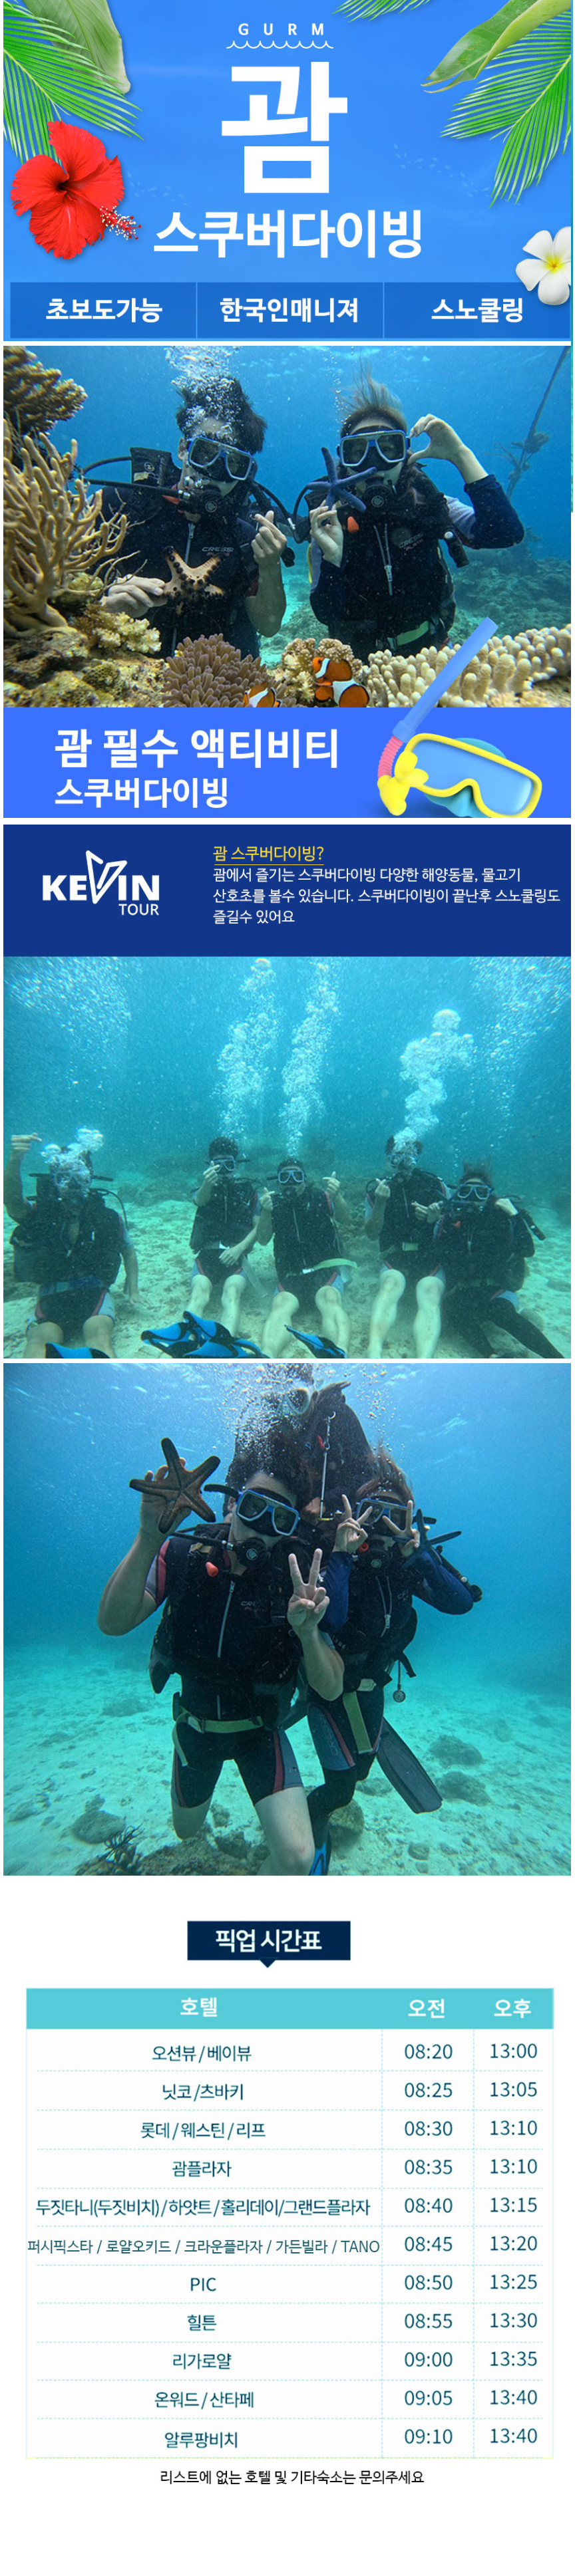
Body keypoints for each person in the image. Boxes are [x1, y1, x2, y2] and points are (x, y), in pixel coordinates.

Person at [97, 1422, 365, 1874]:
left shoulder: (296, 1582)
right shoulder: (182, 1552)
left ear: (292, 1528)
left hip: (260, 1733)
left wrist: (308, 1632)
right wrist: (149, 1535)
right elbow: (112, 1623)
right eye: (253, 1507)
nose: (262, 1530)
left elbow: (332, 1686)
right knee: (187, 1830)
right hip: (195, 1729)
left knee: (298, 1857)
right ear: (231, 1503)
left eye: (279, 1519)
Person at [299, 1442, 481, 1850]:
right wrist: (344, 1555)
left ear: (410, 1519)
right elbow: (329, 1619)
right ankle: (312, 1823)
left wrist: (421, 1556)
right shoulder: (340, 1558)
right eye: (374, 1514)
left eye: (394, 1516)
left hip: (374, 1684)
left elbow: (461, 1604)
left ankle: (358, 1755)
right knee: (343, 1788)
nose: (383, 1526)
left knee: (361, 1774)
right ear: (355, 1515)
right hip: (330, 1688)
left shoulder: (408, 1564)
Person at [299, 368, 524, 661]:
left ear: (406, 454)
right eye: (357, 451)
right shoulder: (331, 520)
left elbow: (505, 533)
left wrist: (460, 454)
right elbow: (326, 612)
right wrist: (332, 560)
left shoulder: (427, 500)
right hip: (356, 664)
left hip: (432, 654)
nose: (374, 463)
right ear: (344, 461)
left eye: (388, 447)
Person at [101, 372, 291, 655]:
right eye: (206, 453)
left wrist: (270, 565)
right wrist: (103, 601)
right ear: (183, 449)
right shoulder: (120, 507)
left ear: (245, 472)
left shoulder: (246, 538)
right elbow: (67, 590)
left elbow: (269, 625)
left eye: (234, 463)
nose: (216, 472)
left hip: (216, 683)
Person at [3, 1130, 138, 1356]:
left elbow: (129, 1250)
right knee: (39, 1340)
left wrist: (133, 1288)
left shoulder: (107, 1217)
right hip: (51, 1295)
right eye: (64, 1177)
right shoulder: (40, 1214)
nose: (72, 1185)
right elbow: (13, 1202)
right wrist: (15, 1160)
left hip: (94, 1292)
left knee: (99, 1336)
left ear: (89, 1177)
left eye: (80, 1177)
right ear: (54, 1179)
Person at [434, 1164, 563, 1358]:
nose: (473, 1197)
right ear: (459, 1194)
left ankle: (558, 1360)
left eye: (481, 1192)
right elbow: (438, 1253)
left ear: (490, 1195)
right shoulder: (453, 1219)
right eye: (467, 1191)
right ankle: (491, 1356)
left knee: (501, 1313)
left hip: (498, 1288)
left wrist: (515, 1216)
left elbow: (527, 1250)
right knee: (452, 1309)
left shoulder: (501, 1216)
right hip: (466, 1290)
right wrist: (434, 1221)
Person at [256, 1158, 351, 1357]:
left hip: (324, 1271)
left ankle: (339, 1352)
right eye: (285, 1177)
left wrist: (337, 1196)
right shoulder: (274, 1205)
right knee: (281, 1304)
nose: (292, 1182)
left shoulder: (321, 1197)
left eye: (297, 1176)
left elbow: (346, 1219)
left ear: (305, 1180)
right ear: (279, 1182)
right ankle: (267, 1354)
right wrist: (266, 1213)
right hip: (292, 1274)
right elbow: (263, 1239)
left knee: (330, 1299)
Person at [365, 1136, 447, 1356]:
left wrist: (437, 1219)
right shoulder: (378, 1190)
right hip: (396, 1257)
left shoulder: (436, 1186)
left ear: (417, 1159)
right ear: (388, 1160)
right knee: (390, 1284)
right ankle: (374, 1349)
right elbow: (372, 1234)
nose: (402, 1165)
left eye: (408, 1159)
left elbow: (457, 1233)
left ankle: (425, 1358)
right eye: (396, 1159)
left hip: (429, 1257)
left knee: (429, 1292)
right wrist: (381, 1203)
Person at [190, 1135, 260, 1339]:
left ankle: (225, 1342)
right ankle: (189, 1339)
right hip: (207, 1255)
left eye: (228, 1164)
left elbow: (258, 1228)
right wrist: (207, 1184)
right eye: (217, 1165)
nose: (224, 1170)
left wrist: (238, 1249)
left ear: (236, 1166)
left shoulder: (249, 1191)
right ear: (210, 1166)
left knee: (232, 1295)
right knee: (198, 1295)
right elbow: (200, 1201)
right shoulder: (204, 1188)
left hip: (237, 1257)